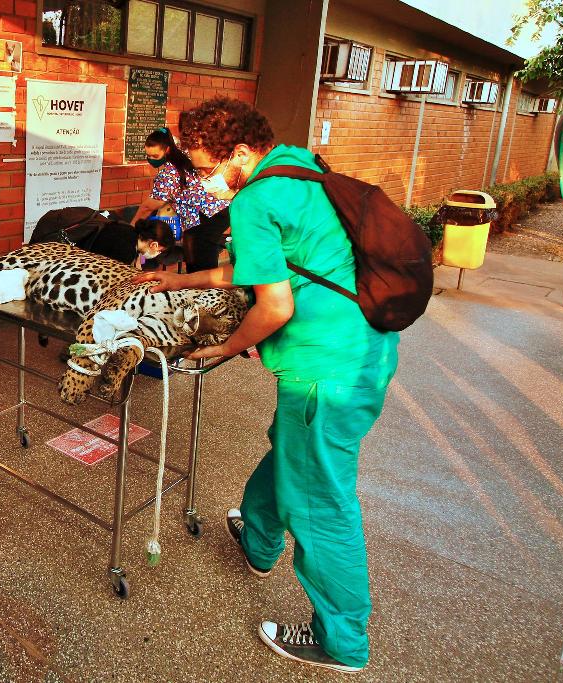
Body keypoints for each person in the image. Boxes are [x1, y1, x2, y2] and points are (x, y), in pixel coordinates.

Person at [135, 97, 399, 674]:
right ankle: (258, 537)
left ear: (239, 152)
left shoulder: (256, 197)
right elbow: (261, 267)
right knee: (293, 450)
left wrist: (228, 346)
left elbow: (274, 305)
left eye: (207, 169)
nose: (204, 182)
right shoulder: (302, 167)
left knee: (320, 500)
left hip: (325, 369)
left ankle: (343, 640)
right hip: (365, 347)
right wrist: (181, 280)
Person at [130, 126, 230, 272]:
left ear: (167, 150)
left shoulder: (168, 175)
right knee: (194, 255)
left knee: (200, 263)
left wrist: (129, 231)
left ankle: (203, 284)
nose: (151, 160)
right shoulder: (184, 152)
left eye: (155, 156)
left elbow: (147, 207)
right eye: (148, 155)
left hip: (206, 216)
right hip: (218, 210)